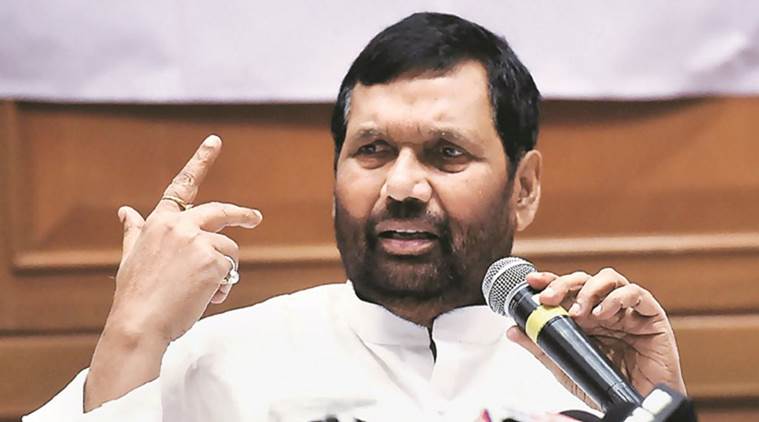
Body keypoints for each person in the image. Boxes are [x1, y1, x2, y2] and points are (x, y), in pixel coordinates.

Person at [24, 12, 685, 421]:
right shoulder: (218, 363)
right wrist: (135, 329)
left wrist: (651, 404)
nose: (401, 186)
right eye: (372, 151)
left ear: (525, 187)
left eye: (445, 153)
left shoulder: (589, 372)